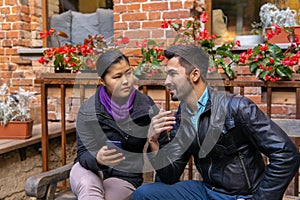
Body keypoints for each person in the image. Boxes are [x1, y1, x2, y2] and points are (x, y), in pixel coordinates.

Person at [133, 45, 300, 200]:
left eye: (173, 74)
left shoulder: (237, 107)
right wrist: (154, 141)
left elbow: (286, 154)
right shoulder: (183, 116)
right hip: (207, 191)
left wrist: (260, 198)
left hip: (239, 195)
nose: (166, 82)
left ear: (195, 75)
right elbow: (170, 175)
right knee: (144, 194)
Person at [70, 50, 159, 200]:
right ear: (102, 81)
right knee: (89, 188)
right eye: (117, 77)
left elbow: (162, 155)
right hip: (89, 170)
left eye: (128, 73)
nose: (126, 81)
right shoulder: (88, 109)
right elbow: (83, 153)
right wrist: (97, 159)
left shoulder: (146, 107)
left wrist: (154, 140)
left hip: (125, 177)